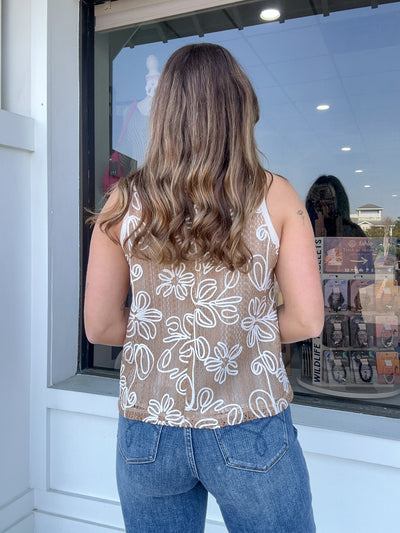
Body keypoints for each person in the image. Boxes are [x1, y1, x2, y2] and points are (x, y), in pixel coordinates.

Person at [84, 43, 324, 533]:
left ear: (164, 113)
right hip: (250, 421)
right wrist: (236, 334)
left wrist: (168, 335)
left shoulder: (123, 202)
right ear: (240, 108)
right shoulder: (275, 196)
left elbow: (101, 326)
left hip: (149, 428)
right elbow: (307, 319)